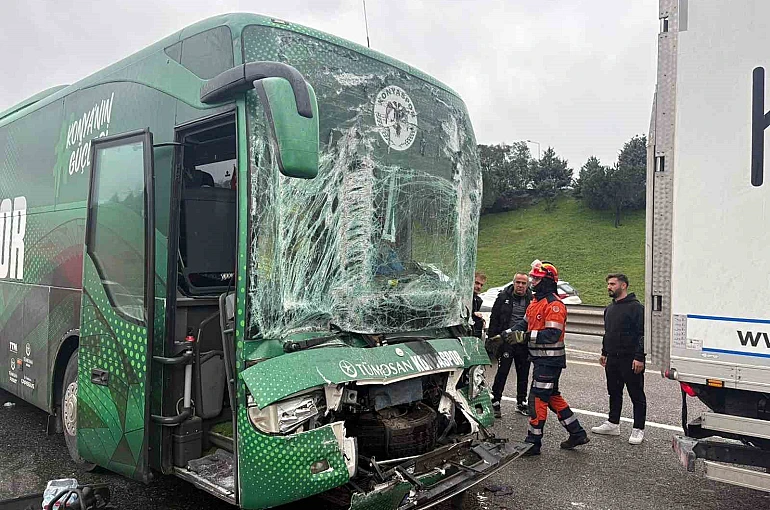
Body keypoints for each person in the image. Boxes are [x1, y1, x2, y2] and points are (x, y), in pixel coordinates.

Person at [499, 260, 589, 455]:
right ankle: (577, 433)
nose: (532, 282)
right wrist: (503, 335)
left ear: (547, 281)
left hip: (550, 361)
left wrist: (523, 337)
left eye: (537, 279)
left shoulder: (554, 305)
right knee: (551, 396)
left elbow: (552, 335)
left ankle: (533, 442)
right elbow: (523, 325)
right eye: (533, 278)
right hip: (541, 360)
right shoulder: (535, 302)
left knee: (537, 399)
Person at [591, 273, 647, 445]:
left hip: (630, 360)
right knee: (614, 392)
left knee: (636, 395)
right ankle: (613, 423)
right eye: (608, 284)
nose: (609, 287)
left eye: (613, 284)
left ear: (623, 285)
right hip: (612, 359)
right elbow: (608, 333)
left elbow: (643, 334)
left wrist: (639, 357)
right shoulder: (610, 308)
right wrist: (604, 352)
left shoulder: (636, 308)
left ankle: (638, 429)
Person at [488, 272, 532, 418]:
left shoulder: (532, 299)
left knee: (523, 372)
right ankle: (495, 401)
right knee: (503, 371)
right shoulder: (503, 297)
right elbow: (494, 317)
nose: (520, 285)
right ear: (513, 283)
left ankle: (521, 402)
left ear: (527, 285)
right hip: (506, 341)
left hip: (523, 341)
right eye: (518, 282)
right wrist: (492, 339)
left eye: (523, 283)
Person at [471, 271, 487, 338]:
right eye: (477, 283)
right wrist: (473, 314)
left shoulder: (478, 300)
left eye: (481, 285)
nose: (479, 287)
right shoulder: (460, 297)